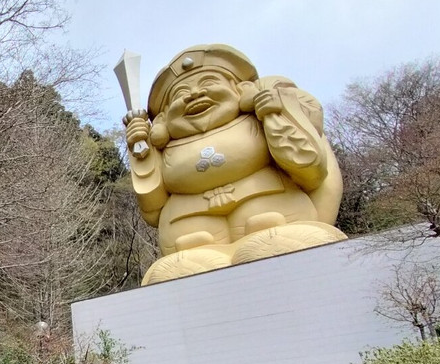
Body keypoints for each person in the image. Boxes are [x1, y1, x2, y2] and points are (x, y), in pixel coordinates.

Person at [125, 44, 345, 285]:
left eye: (208, 82)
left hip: (273, 212)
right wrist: (140, 151)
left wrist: (276, 111)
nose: (194, 95)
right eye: (180, 93)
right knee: (174, 271)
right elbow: (153, 206)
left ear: (240, 89)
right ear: (165, 117)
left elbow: (308, 167)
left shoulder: (258, 119)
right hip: (189, 236)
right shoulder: (162, 148)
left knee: (276, 243)